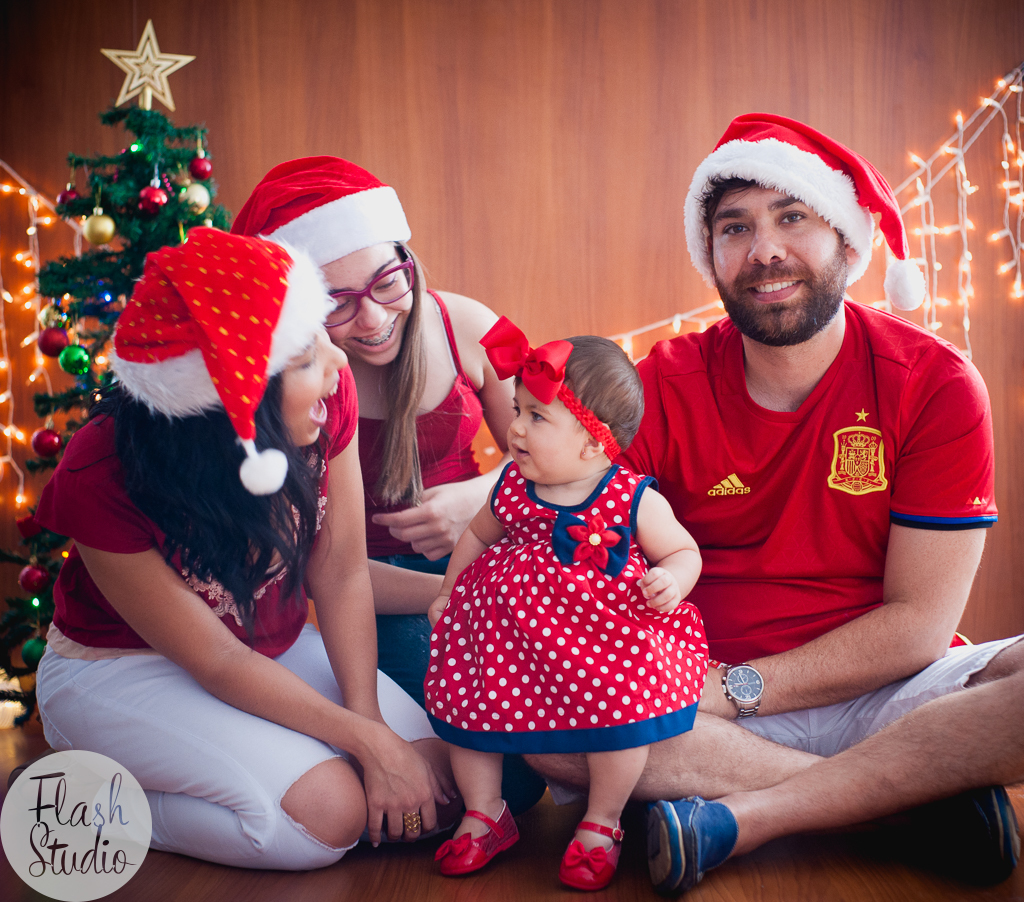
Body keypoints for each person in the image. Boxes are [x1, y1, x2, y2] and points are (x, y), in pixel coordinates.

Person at [523, 114, 1024, 892]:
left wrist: (737, 692)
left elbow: (920, 621)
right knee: (549, 723)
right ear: (712, 256)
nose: (763, 249)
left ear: (846, 242)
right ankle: (910, 801)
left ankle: (752, 813)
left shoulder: (935, 383)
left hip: (880, 691)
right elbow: (575, 565)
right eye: (735, 227)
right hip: (695, 692)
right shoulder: (656, 388)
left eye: (792, 217)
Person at [32, 229, 456, 869]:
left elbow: (338, 574)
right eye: (309, 355)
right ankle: (92, 801)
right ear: (241, 402)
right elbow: (215, 660)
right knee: (330, 817)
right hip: (119, 667)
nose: (340, 364)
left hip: (263, 646)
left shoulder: (321, 403)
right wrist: (364, 746)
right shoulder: (100, 474)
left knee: (435, 785)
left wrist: (369, 724)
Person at [232, 158, 547, 816]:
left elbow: (567, 461)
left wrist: (482, 495)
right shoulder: (291, 391)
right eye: (337, 302)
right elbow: (330, 571)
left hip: (484, 557)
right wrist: (459, 593)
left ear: (407, 258)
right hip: (380, 591)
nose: (373, 318)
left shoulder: (467, 328)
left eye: (386, 281)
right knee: (504, 780)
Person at [424, 317, 706, 890]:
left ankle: (601, 822)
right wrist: (449, 593)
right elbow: (476, 537)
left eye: (536, 416)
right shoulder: (510, 487)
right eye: (519, 410)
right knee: (468, 709)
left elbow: (683, 549)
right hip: (504, 642)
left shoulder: (630, 496)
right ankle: (485, 812)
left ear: (590, 436)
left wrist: (673, 580)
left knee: (619, 717)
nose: (516, 428)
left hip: (603, 641)